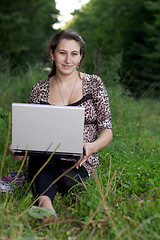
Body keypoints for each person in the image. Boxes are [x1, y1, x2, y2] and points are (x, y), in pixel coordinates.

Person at [9, 29, 112, 218]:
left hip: (80, 158)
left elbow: (107, 129)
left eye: (74, 54)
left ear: (81, 58)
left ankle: (42, 190)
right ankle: (46, 207)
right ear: (52, 54)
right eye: (62, 53)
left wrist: (92, 146)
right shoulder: (39, 89)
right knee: (42, 161)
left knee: (66, 180)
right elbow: (30, 130)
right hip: (45, 154)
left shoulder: (94, 84)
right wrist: (18, 147)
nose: (68, 60)